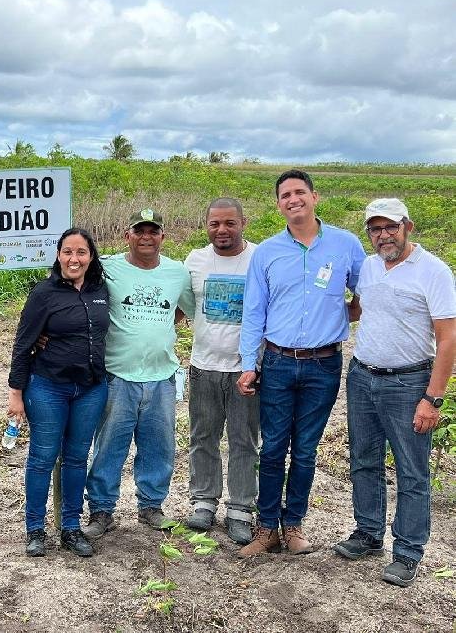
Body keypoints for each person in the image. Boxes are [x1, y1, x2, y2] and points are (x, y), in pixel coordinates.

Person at [236, 170, 365, 557]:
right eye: (285, 195)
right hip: (276, 362)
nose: (293, 200)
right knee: (273, 447)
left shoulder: (345, 244)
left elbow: (364, 293)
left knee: (305, 449)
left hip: (323, 365)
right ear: (279, 204)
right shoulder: (268, 252)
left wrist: (341, 315)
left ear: (314, 197)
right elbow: (254, 311)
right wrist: (248, 363)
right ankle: (266, 529)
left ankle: (293, 526)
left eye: (299, 193)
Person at [333, 198, 455, 586]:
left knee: (412, 471)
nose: (383, 235)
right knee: (364, 460)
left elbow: (448, 336)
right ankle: (369, 533)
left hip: (409, 383)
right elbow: (359, 310)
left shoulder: (433, 271)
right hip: (362, 376)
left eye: (390, 227)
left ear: (408, 227)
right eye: (375, 228)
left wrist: (433, 396)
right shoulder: (368, 267)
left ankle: (407, 552)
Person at [83, 209, 195, 539]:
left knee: (159, 446)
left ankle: (151, 507)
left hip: (162, 376)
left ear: (163, 236)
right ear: (127, 235)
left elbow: (185, 308)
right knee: (108, 446)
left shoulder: (177, 272)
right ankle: (102, 510)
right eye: (139, 231)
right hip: (118, 375)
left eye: (153, 231)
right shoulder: (108, 268)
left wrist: (154, 331)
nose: (146, 237)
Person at [7, 228, 110, 558]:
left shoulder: (100, 290)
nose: (74, 259)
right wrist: (16, 394)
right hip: (49, 386)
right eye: (67, 252)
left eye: (81, 252)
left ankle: (70, 527)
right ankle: (35, 529)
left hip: (91, 389)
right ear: (58, 255)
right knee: (42, 458)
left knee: (77, 458)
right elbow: (23, 344)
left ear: (91, 256)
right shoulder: (44, 293)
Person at [183, 198, 259, 545]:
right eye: (215, 224)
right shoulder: (195, 261)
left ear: (244, 222)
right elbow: (183, 308)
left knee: (244, 440)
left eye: (230, 223)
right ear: (206, 225)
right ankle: (203, 501)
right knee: (203, 436)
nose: (222, 230)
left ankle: (241, 509)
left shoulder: (259, 259)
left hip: (246, 370)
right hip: (203, 367)